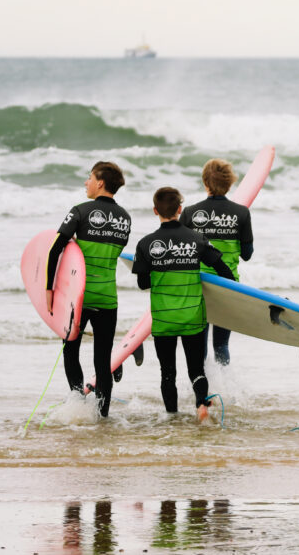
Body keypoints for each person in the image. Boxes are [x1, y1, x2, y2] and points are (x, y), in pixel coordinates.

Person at [132, 187, 234, 422]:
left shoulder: (146, 244)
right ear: (180, 209)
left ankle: (171, 417)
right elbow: (223, 270)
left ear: (155, 210)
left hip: (164, 319)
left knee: (167, 372)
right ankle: (201, 406)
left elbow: (143, 283)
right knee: (196, 369)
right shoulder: (197, 238)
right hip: (192, 317)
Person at [45, 162, 131, 417]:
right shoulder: (125, 217)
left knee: (71, 351)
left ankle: (78, 405)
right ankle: (101, 416)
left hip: (78, 299)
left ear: (101, 182)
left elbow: (54, 249)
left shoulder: (80, 211)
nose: (86, 182)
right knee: (102, 361)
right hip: (108, 297)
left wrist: (49, 289)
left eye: (90, 178)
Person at [180, 158, 253, 365]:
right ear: (230, 184)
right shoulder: (242, 213)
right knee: (221, 345)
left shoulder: (189, 213)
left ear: (205, 183)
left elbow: (181, 252)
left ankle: (202, 391)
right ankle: (225, 390)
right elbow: (247, 254)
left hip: (197, 286)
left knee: (199, 346)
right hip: (228, 285)